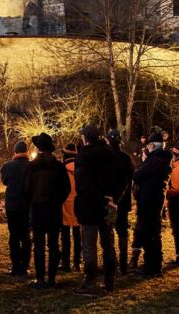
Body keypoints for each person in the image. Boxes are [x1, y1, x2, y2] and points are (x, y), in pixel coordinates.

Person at [72, 125, 127, 296]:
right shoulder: (111, 154)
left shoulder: (83, 157)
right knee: (108, 243)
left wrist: (102, 198)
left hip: (90, 206)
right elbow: (123, 179)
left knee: (89, 245)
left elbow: (83, 185)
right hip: (107, 206)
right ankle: (109, 280)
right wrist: (113, 198)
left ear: (85, 138)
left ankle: (90, 282)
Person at [23, 132, 69, 288]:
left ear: (39, 148)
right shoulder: (59, 167)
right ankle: (51, 278)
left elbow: (26, 189)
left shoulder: (32, 167)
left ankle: (41, 279)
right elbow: (66, 188)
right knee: (54, 245)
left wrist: (32, 201)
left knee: (39, 245)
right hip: (54, 209)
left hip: (37, 209)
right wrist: (57, 201)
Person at [132, 132, 171, 278]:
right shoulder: (163, 159)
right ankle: (155, 265)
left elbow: (137, 175)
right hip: (156, 200)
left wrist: (144, 160)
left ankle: (150, 267)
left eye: (148, 145)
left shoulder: (154, 160)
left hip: (148, 201)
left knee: (149, 235)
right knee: (154, 234)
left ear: (152, 145)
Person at [0, 140, 32, 277]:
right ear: (27, 152)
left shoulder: (7, 166)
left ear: (15, 152)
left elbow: (5, 181)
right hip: (27, 205)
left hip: (13, 205)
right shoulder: (31, 166)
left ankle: (15, 265)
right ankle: (25, 265)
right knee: (26, 235)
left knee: (13, 236)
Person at [106, 129, 135, 275]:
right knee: (122, 231)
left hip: (111, 201)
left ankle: (114, 262)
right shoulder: (126, 158)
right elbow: (131, 177)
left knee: (109, 230)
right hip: (123, 201)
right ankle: (123, 264)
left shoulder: (107, 157)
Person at [60, 143, 81, 273]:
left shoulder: (62, 169)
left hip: (65, 204)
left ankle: (66, 262)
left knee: (65, 235)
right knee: (78, 234)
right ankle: (77, 262)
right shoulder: (81, 168)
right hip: (78, 204)